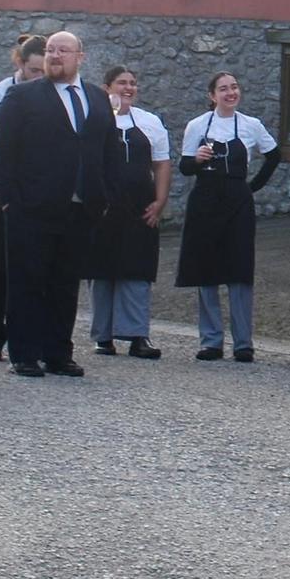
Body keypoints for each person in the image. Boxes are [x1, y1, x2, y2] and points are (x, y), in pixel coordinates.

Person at [0, 31, 120, 379]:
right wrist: (7, 199)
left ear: (81, 57)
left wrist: (104, 195)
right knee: (27, 281)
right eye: (50, 50)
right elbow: (2, 150)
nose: (55, 55)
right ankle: (24, 354)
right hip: (31, 207)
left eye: (63, 50)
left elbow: (108, 149)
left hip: (80, 207)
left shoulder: (97, 98)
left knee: (65, 282)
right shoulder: (22, 96)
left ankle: (58, 352)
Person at [176, 71, 279, 363]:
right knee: (206, 268)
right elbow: (184, 166)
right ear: (212, 96)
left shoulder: (251, 125)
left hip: (237, 203)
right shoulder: (197, 125)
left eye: (234, 87)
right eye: (223, 89)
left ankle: (243, 343)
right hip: (205, 201)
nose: (230, 93)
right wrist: (198, 160)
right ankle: (211, 341)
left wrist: (251, 187)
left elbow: (273, 155)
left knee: (239, 269)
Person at [0, 33, 45, 361]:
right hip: (4, 193)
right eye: (33, 70)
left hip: (38, 194)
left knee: (34, 268)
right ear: (20, 63)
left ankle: (28, 334)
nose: (39, 77)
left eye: (43, 71)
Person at [88, 66, 170, 359]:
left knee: (137, 268)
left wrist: (160, 201)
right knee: (101, 270)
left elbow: (162, 164)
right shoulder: (94, 120)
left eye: (133, 83)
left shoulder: (150, 122)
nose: (128, 88)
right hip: (103, 206)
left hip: (139, 206)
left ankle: (137, 335)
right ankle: (103, 336)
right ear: (106, 88)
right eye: (121, 83)